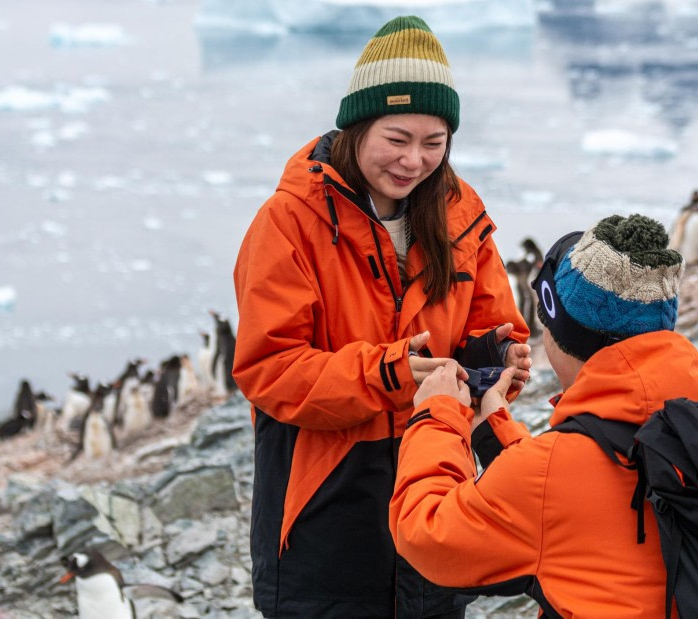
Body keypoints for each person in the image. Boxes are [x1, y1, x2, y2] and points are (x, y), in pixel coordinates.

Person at [232, 15, 532, 619]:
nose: (414, 160)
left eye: (433, 142)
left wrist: (495, 358)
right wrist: (387, 374)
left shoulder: (461, 217)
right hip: (324, 515)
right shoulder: (290, 223)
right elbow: (270, 369)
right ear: (358, 126)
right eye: (397, 138)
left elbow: (490, 321)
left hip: (436, 494)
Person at [390, 214, 698, 617]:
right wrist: (496, 430)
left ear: (560, 335)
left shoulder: (551, 472)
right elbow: (577, 498)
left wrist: (436, 415)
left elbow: (426, 535)